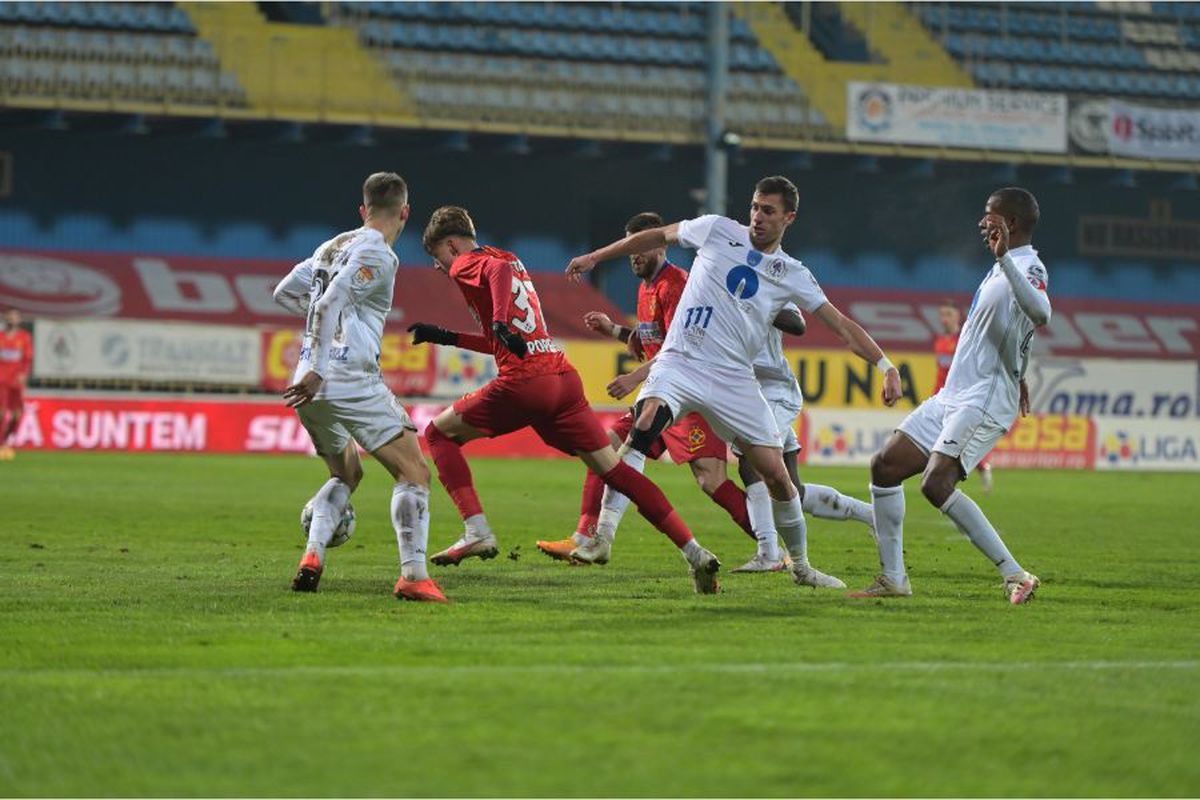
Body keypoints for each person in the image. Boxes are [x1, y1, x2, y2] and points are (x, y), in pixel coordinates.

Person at [566, 176, 903, 591]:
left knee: (777, 477)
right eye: (755, 207)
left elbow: (841, 325)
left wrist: (885, 365)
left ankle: (799, 566)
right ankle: (603, 535)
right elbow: (658, 234)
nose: (757, 217)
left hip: (734, 379)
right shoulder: (717, 228)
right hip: (681, 362)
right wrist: (596, 257)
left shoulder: (793, 273)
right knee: (643, 423)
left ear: (789, 217)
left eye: (769, 211)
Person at [408, 205, 723, 594]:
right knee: (616, 469)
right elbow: (505, 338)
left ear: (452, 245)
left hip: (526, 383)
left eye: (437, 256)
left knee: (438, 435)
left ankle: (476, 530)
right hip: (562, 379)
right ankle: (695, 553)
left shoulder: (469, 264)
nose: (439, 267)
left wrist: (502, 321)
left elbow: (499, 294)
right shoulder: (508, 257)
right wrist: (447, 336)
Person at [853, 187, 1046, 604]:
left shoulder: (1027, 266)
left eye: (990, 217)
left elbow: (1040, 313)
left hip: (983, 398)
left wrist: (1004, 261)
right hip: (954, 394)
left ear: (1010, 224)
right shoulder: (1000, 269)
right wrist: (1021, 370)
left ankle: (1016, 575)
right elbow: (1015, 330)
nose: (983, 223)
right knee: (884, 466)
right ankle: (893, 579)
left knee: (935, 483)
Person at [535, 212, 758, 567]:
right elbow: (651, 343)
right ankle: (586, 536)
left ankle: (774, 547)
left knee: (712, 481)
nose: (634, 256)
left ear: (660, 245)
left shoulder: (678, 286)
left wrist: (632, 379)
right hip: (659, 394)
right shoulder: (646, 288)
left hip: (688, 396)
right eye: (630, 250)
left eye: (640, 247)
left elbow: (682, 348)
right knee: (604, 448)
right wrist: (613, 330)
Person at [274, 172, 447, 603]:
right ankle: (413, 576)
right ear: (406, 212)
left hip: (307, 387)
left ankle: (313, 555)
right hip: (346, 377)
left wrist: (317, 350)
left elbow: (285, 293)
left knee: (346, 473)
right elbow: (330, 302)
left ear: (362, 208)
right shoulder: (380, 254)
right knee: (414, 472)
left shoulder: (331, 246)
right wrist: (322, 361)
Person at [730, 302, 877, 573]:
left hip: (775, 389)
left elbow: (798, 325)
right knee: (792, 489)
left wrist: (756, 303)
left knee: (752, 463)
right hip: (750, 393)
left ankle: (769, 553)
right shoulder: (718, 286)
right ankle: (873, 515)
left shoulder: (770, 286)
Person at [934, 299, 994, 493]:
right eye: (942, 315)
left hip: (962, 399)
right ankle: (943, 475)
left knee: (957, 440)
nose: (944, 319)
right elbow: (941, 374)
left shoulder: (966, 339)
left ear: (957, 316)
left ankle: (980, 467)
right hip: (942, 397)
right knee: (944, 438)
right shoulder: (940, 342)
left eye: (948, 314)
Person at [0, 308, 33, 461]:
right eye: (10, 317)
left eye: (15, 317)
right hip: (1, 381)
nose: (12, 319)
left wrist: (24, 376)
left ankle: (6, 442)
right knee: (1, 412)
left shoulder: (24, 338)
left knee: (17, 415)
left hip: (16, 383)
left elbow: (27, 359)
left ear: (19, 320)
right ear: (6, 319)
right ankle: (1, 445)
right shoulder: (0, 337)